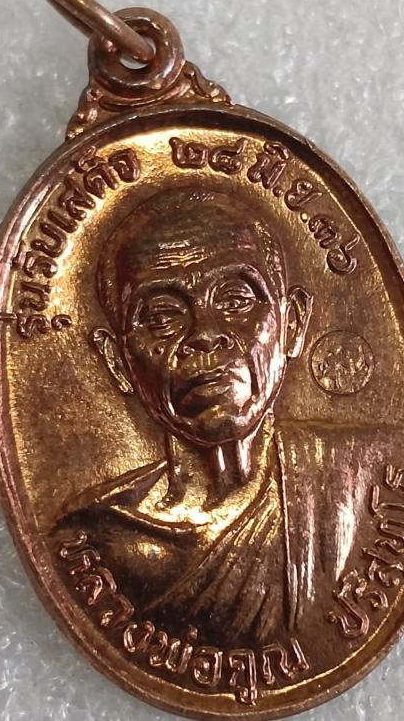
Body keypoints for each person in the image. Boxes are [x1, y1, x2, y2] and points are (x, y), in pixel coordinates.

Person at [53, 186, 372, 649]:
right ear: (118, 361)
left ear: (293, 324)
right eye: (162, 316)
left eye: (236, 300)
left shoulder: (365, 475)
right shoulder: (94, 539)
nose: (205, 334)